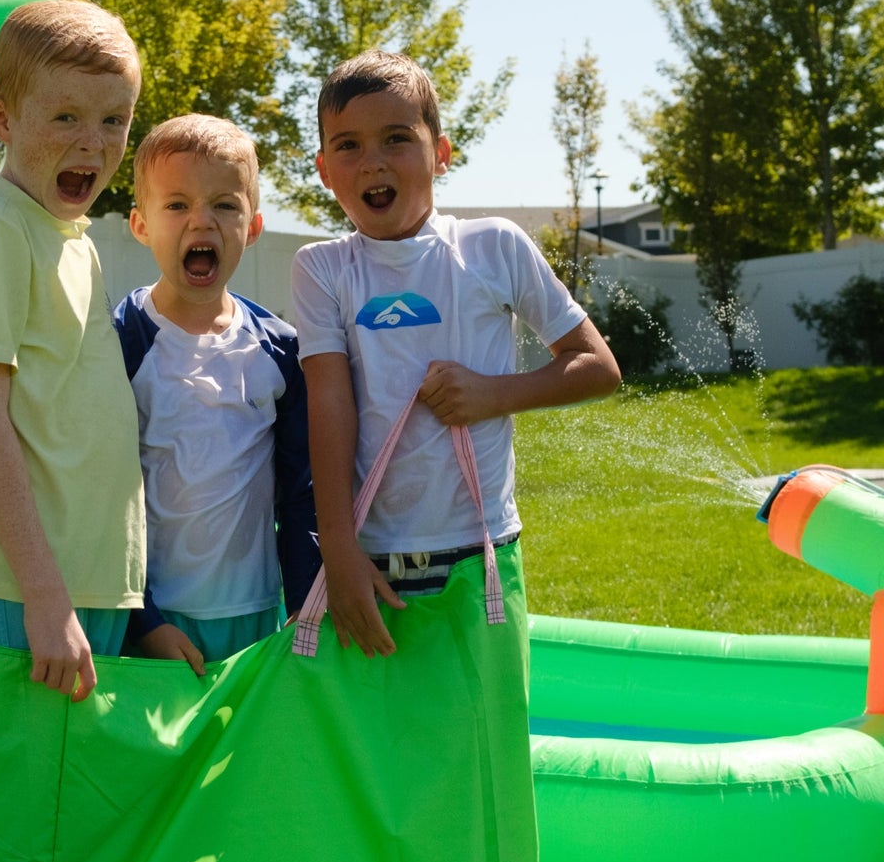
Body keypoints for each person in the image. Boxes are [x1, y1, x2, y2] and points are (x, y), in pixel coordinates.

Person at [291, 49, 622, 657]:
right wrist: (337, 550)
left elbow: (596, 367)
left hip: (483, 551)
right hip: (371, 558)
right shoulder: (323, 269)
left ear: (440, 154)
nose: (372, 163)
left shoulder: (494, 246)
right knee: (383, 746)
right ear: (323, 169)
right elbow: (328, 402)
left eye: (396, 139)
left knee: (482, 743)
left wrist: (493, 393)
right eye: (348, 146)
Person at [0, 0, 144, 703]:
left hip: (82, 586)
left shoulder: (69, 237)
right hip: (26, 594)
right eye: (65, 117)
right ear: (1, 120)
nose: (94, 142)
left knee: (76, 803)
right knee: (23, 804)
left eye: (114, 119)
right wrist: (44, 597)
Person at [114, 114, 319, 668]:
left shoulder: (281, 349)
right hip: (150, 619)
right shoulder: (119, 342)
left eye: (224, 205)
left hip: (256, 615)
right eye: (176, 205)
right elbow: (100, 494)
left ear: (252, 226)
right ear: (140, 224)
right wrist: (142, 620)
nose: (200, 222)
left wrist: (304, 601)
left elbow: (300, 491)